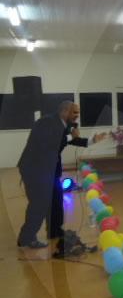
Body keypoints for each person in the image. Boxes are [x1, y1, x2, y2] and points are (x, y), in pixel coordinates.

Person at [17, 101, 107, 254]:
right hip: (35, 170)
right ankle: (26, 238)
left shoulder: (65, 125)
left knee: (56, 200)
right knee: (39, 203)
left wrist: (92, 140)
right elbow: (49, 145)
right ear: (64, 111)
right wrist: (69, 137)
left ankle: (55, 231)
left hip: (49, 170)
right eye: (74, 113)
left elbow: (72, 140)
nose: (77, 116)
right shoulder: (45, 123)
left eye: (77, 113)